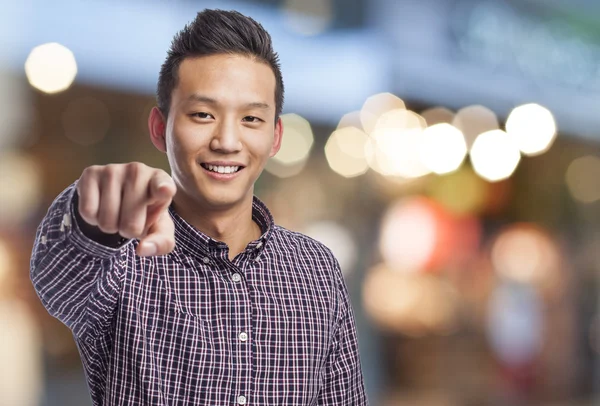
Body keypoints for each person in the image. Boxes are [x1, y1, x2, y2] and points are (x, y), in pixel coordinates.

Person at [30, 8, 368, 406]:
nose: (226, 140)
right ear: (160, 128)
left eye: (251, 119)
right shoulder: (124, 261)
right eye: (203, 114)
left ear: (275, 137)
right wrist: (93, 217)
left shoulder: (317, 269)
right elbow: (57, 275)